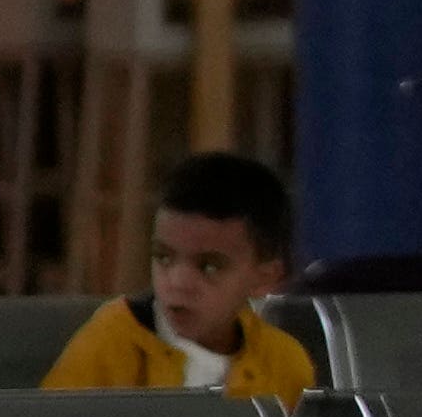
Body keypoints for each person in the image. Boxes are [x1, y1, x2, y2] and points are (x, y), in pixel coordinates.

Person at [41, 153, 318, 397]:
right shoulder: (112, 340)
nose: (178, 282)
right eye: (164, 258)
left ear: (265, 278)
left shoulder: (285, 364)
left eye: (209, 267)